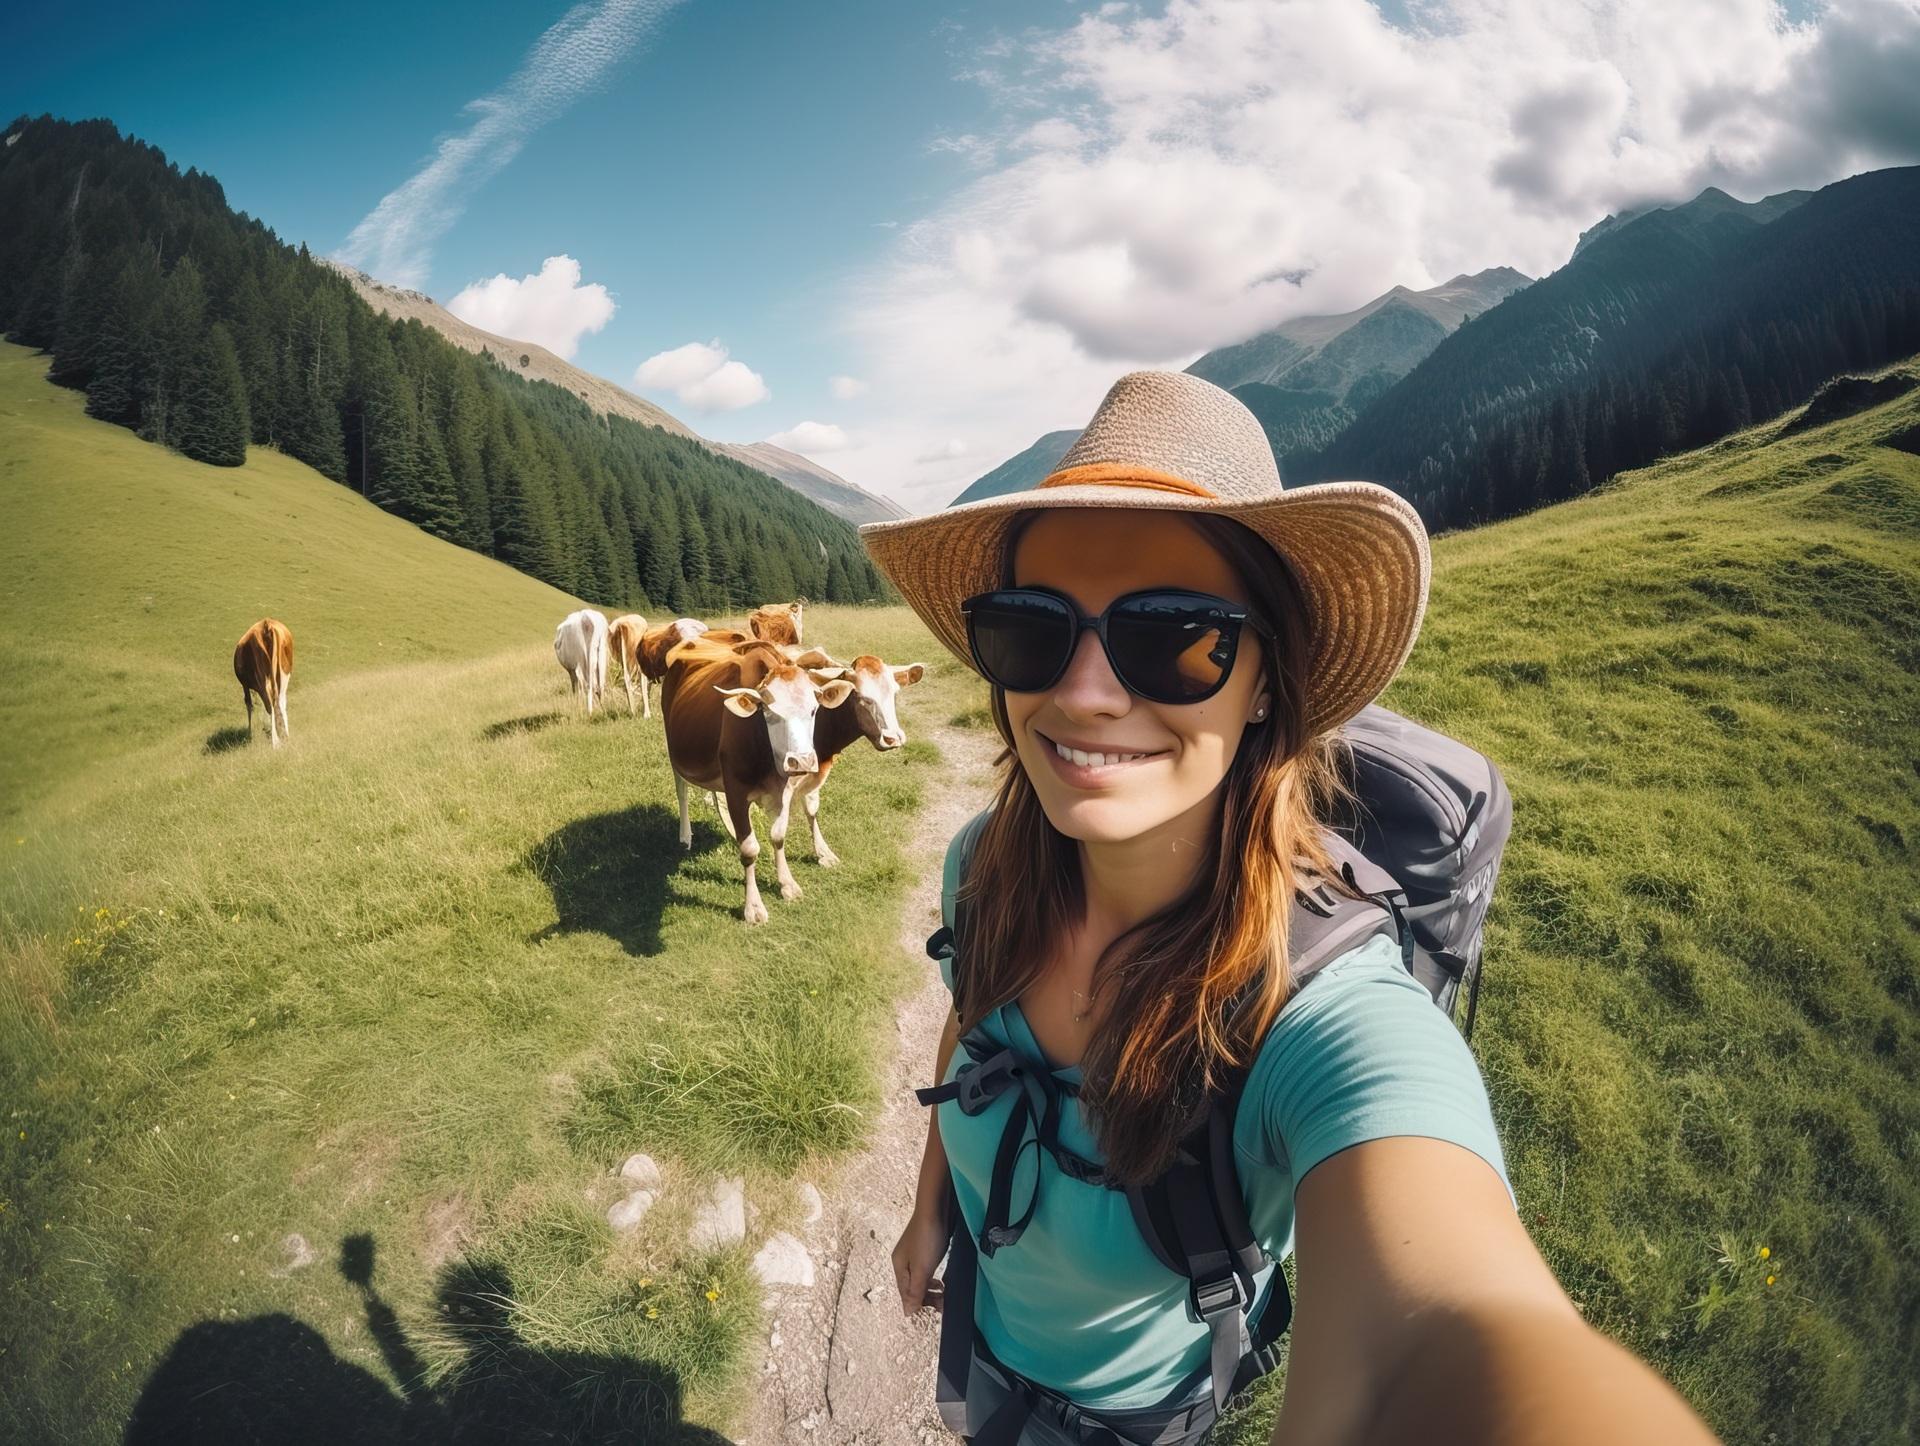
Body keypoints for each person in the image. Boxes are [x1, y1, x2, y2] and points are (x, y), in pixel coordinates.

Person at [857, 372, 1716, 1446]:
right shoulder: (986, 865)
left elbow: (1449, 1327)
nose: (1079, 693)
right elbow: (972, 1011)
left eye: (1173, 635)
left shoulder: (1329, 1017)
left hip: (1141, 1419)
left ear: (1266, 677)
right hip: (987, 1333)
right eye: (1030, 631)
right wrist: (930, 1214)